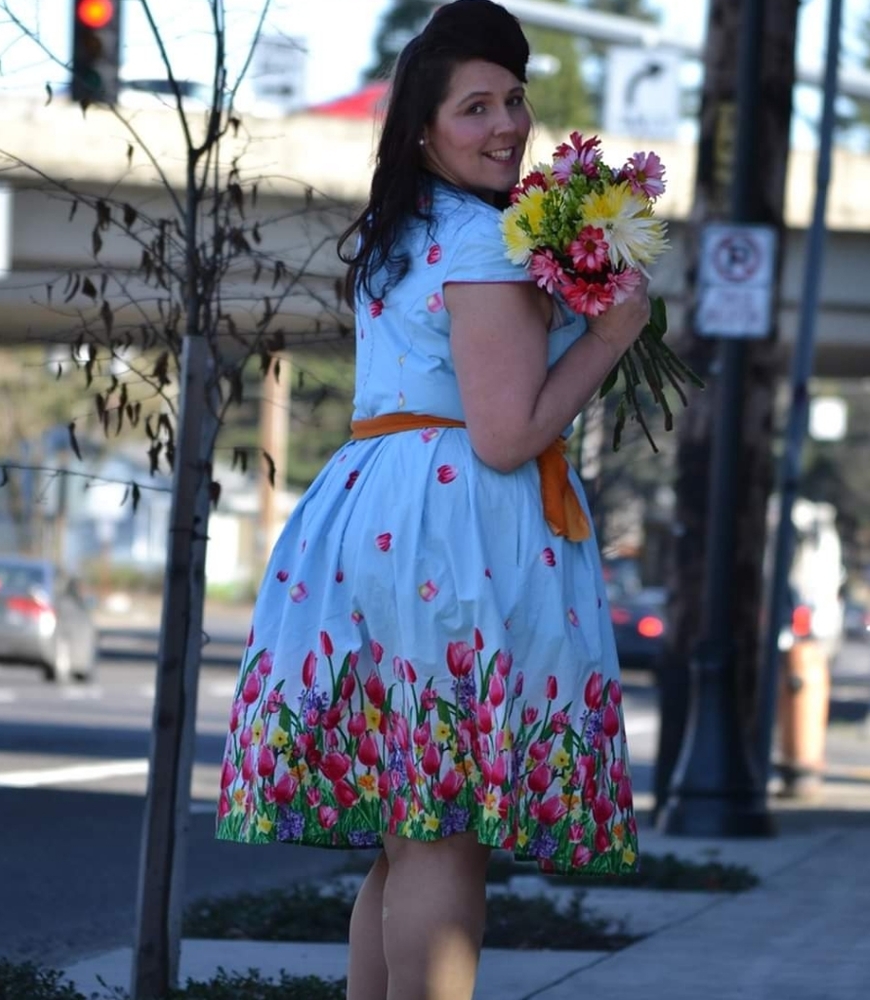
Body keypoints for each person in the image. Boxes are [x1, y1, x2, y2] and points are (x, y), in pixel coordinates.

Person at [216, 2, 651, 997]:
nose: (505, 124)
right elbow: (506, 433)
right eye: (474, 107)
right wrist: (611, 332)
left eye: (513, 99)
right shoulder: (482, 241)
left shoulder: (403, 226)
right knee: (446, 836)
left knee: (411, 836)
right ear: (421, 129)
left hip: (378, 509)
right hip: (454, 532)